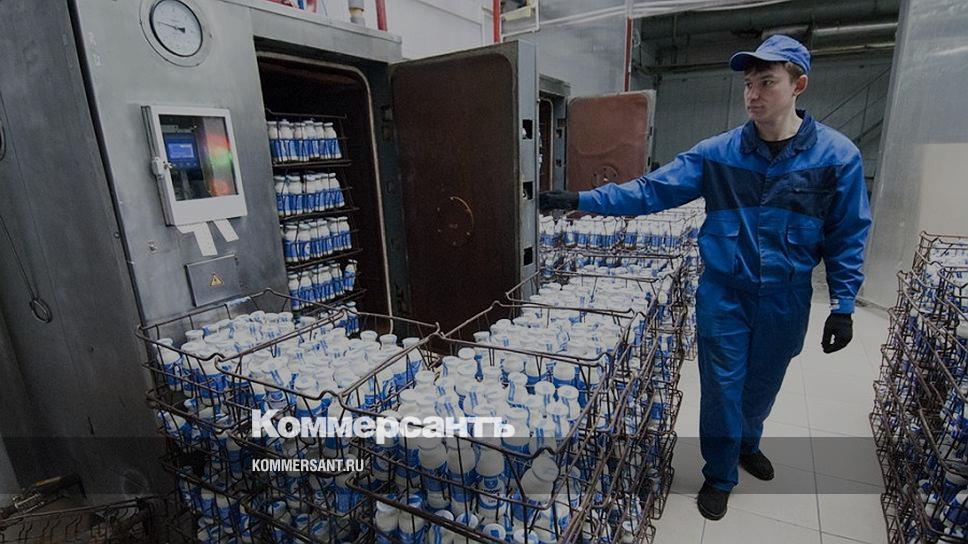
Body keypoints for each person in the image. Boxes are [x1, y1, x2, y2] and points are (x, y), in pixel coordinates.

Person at [539, 35, 872, 520]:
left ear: (798, 85)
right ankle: (719, 473)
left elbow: (848, 233)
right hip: (725, 294)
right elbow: (652, 190)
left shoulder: (836, 156)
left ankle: (746, 442)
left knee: (764, 383)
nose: (753, 94)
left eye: (767, 82)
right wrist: (582, 201)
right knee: (722, 385)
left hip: (786, 297)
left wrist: (843, 305)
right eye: (748, 84)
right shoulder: (718, 153)